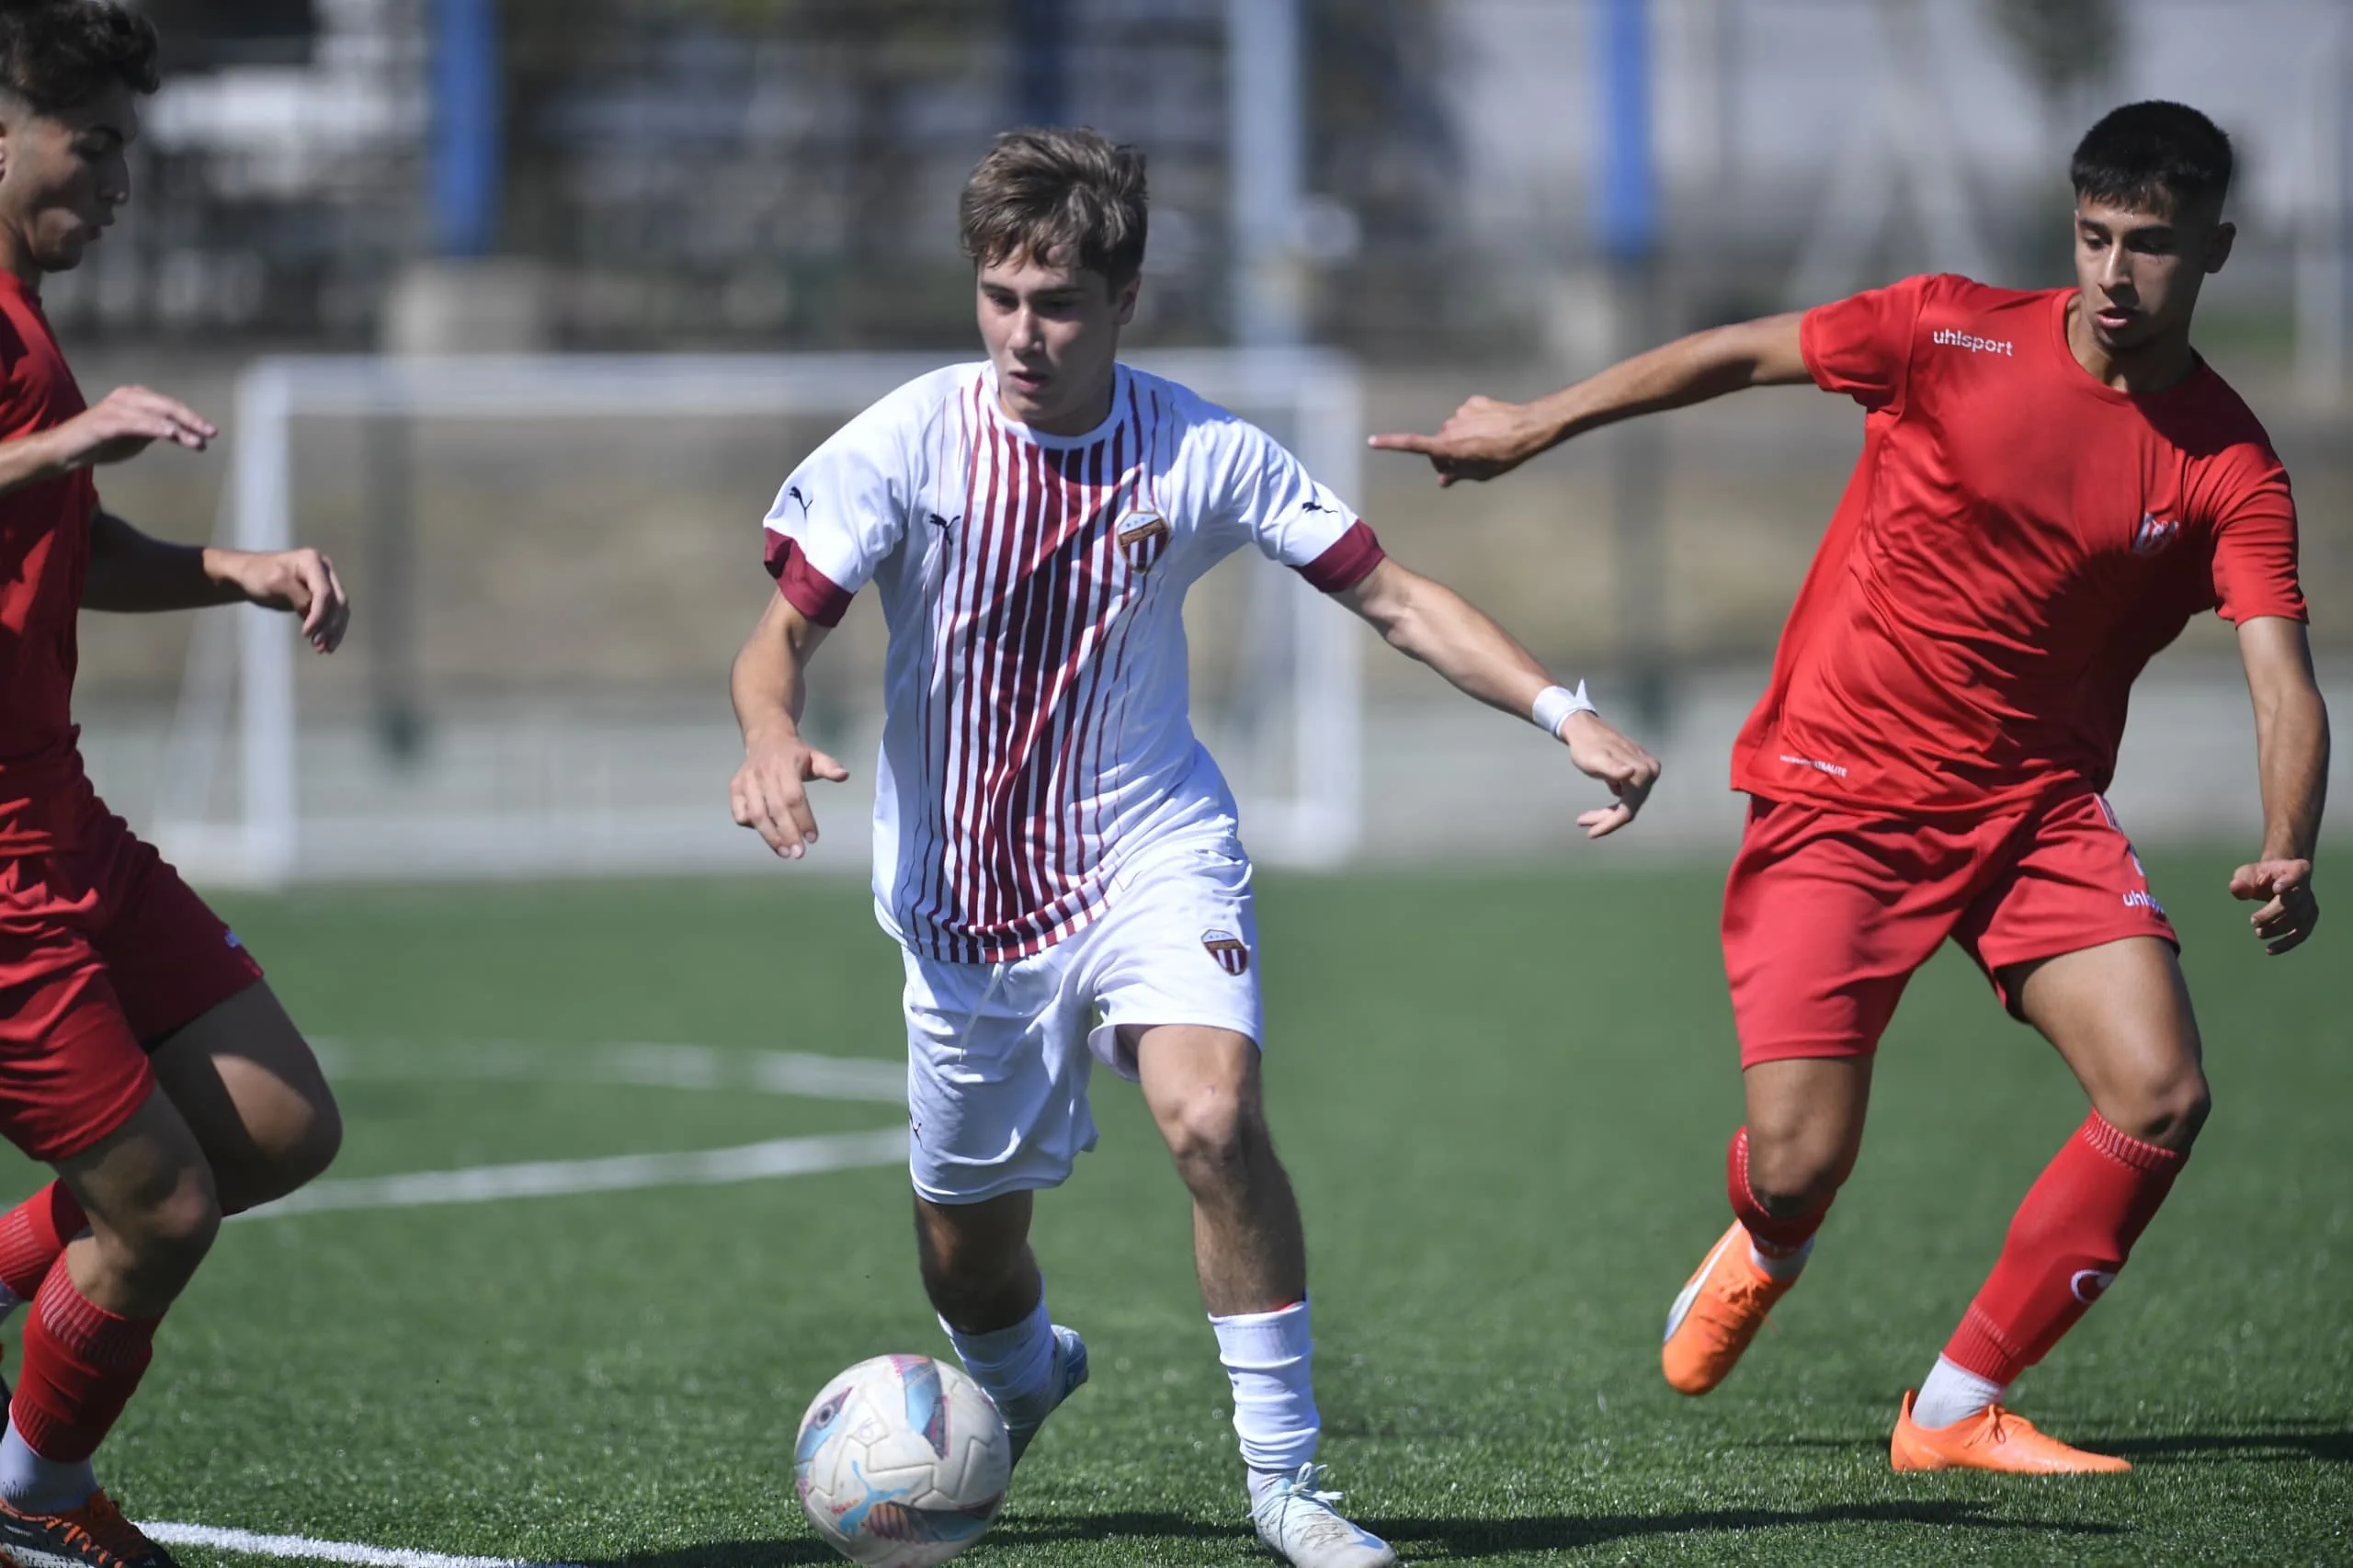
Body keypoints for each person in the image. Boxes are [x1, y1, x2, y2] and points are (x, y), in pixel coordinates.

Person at [732, 126, 1660, 1562]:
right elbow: (776, 641)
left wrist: (1564, 711)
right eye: (999, 297)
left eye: (1056, 303)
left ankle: (1286, 1481)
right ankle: (1029, 1367)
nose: (1023, 335)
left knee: (1214, 1119)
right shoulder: (906, 443)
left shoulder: (1201, 448)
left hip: (1151, 847)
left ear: (1125, 297)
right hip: (963, 906)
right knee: (966, 1257)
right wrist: (766, 735)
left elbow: (1396, 597)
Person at [1371, 100, 2326, 1473]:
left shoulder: (2227, 461)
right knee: (1804, 1158)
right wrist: (1540, 419)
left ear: (2219, 249)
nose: (2119, 274)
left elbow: (2282, 673)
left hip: (2035, 811)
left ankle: (1954, 1406)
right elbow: (1738, 352)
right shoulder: (1947, 329)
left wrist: (2288, 839)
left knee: (2163, 1089)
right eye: (2098, 237)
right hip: (1842, 792)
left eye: (2157, 245)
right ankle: (1771, 1231)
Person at [0, 5, 352, 1562]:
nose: (123, 180)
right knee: (162, 1210)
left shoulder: (25, 322)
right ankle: (33, 1500)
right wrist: (64, 438)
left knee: (276, 1127)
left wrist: (237, 567)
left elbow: (59, 546)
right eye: (96, 145)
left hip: (57, 808)